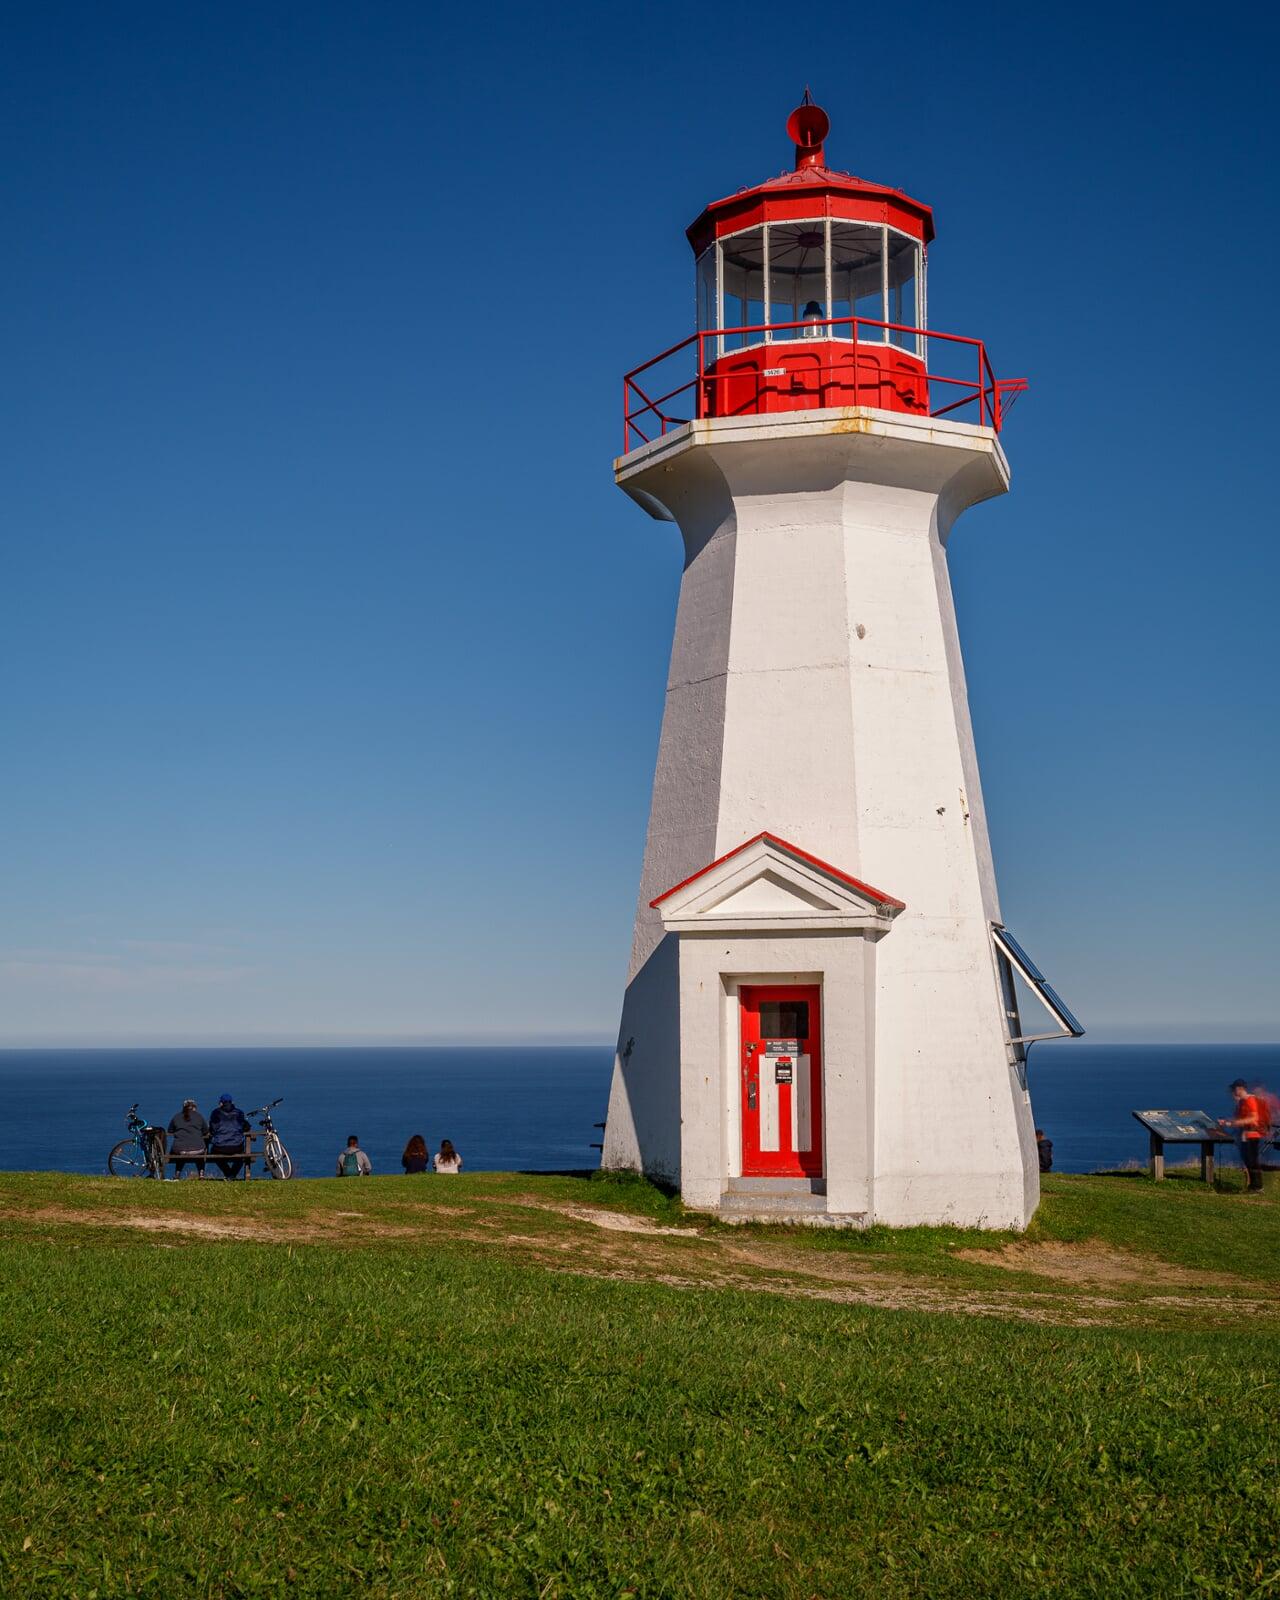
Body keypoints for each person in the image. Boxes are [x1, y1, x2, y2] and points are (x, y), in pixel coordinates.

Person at [1222, 1079, 1266, 1193]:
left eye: (1234, 1089)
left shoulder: (1249, 1100)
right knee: (1248, 1161)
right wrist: (1227, 1122)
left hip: (1253, 1134)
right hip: (1246, 1135)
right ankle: (1253, 1186)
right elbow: (1241, 1119)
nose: (1233, 1092)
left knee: (1252, 1161)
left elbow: (1254, 1118)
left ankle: (1257, 1187)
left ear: (1239, 1088)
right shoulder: (1242, 1102)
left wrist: (1234, 1123)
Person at [208, 1093, 250, 1180]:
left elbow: (213, 1129)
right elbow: (246, 1127)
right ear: (232, 1102)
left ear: (221, 1103)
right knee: (242, 1155)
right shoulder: (239, 1113)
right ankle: (232, 1175)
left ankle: (228, 1173)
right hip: (236, 1146)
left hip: (220, 1146)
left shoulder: (216, 1113)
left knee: (213, 1152)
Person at [167, 1098, 209, 1179]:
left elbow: (170, 1130)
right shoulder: (199, 1116)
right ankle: (201, 1173)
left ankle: (177, 1173)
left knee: (181, 1149)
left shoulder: (176, 1116)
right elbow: (205, 1131)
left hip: (181, 1150)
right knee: (200, 1149)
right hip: (198, 1149)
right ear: (195, 1107)